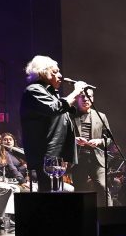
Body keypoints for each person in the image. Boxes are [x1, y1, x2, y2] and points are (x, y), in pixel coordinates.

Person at [20, 55, 88, 192]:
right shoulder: (34, 90)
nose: (61, 75)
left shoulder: (51, 94)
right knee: (48, 193)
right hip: (45, 154)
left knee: (56, 192)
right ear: (42, 72)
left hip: (56, 154)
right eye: (55, 71)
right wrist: (76, 92)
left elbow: (60, 120)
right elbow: (55, 108)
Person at [70, 90, 114, 206]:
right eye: (82, 97)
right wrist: (74, 140)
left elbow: (109, 139)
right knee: (80, 189)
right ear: (77, 99)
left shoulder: (101, 116)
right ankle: (81, 218)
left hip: (96, 158)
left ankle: (108, 216)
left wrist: (99, 141)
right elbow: (61, 136)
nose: (86, 99)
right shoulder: (70, 115)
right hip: (78, 158)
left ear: (92, 99)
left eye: (89, 96)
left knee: (103, 187)